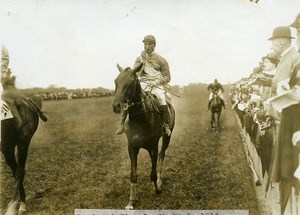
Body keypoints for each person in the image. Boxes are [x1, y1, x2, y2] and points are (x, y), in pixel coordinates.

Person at [116, 35, 172, 136]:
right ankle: (122, 124)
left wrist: (156, 82)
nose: (147, 47)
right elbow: (135, 74)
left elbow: (167, 77)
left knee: (161, 98)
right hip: (142, 84)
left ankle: (166, 125)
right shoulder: (139, 59)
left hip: (156, 85)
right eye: (145, 44)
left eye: (149, 44)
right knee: (130, 98)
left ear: (154, 45)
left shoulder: (162, 60)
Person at [268, 26, 300, 96]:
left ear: (280, 43)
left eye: (273, 44)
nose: (271, 47)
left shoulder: (296, 57)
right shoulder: (284, 57)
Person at [1, 46, 23, 130]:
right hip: (7, 93)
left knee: (17, 103)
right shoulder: (5, 77)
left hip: (9, 92)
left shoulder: (7, 77)